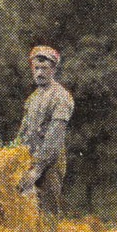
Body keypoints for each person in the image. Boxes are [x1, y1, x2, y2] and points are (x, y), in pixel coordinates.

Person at [15, 46, 74, 218]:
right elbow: (23, 132)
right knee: (26, 212)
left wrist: (37, 169)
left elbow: (54, 138)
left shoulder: (61, 97)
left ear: (53, 69)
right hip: (29, 160)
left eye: (44, 68)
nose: (39, 73)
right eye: (36, 68)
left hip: (49, 163)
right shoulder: (33, 98)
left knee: (47, 212)